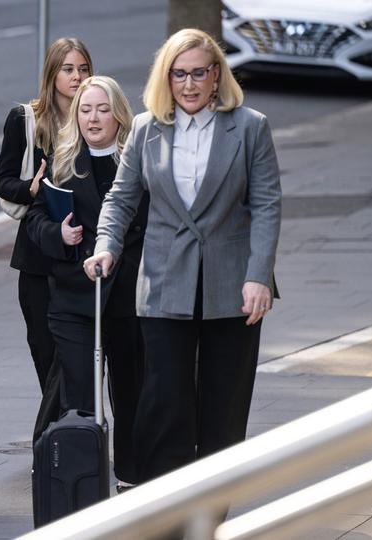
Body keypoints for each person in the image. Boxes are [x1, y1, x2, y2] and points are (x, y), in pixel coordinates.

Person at [84, 28, 281, 488]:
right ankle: (162, 513)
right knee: (163, 406)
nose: (189, 84)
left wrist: (259, 277)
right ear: (166, 77)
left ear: (216, 75)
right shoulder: (145, 128)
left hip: (232, 288)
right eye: (179, 74)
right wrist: (106, 244)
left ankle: (208, 516)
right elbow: (120, 198)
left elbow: (267, 204)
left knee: (222, 413)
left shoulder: (250, 126)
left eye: (198, 73)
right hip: (163, 283)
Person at [26, 75, 148, 492]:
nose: (93, 118)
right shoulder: (60, 161)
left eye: (101, 109)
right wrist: (56, 235)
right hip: (75, 297)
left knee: (131, 389)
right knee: (78, 395)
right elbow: (34, 221)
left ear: (118, 114)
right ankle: (81, 478)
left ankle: (132, 473)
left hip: (128, 295)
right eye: (84, 109)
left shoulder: (138, 160)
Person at [0, 37, 92, 439]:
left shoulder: (97, 115)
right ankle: (59, 434)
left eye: (83, 68)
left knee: (79, 354)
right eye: (68, 69)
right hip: (36, 256)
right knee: (46, 352)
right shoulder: (27, 119)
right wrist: (31, 189)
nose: (76, 76)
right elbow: (2, 182)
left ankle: (64, 435)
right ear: (52, 75)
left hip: (84, 253)